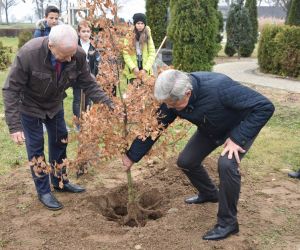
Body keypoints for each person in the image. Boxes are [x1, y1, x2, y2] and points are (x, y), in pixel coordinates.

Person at [122, 69, 275, 240]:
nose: (170, 108)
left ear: (187, 93)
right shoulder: (173, 98)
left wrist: (237, 139)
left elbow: (265, 106)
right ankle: (210, 194)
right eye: (167, 104)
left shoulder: (219, 88)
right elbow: (156, 125)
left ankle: (228, 223)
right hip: (210, 128)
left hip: (239, 128)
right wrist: (131, 155)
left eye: (173, 104)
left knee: (226, 164)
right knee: (186, 161)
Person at [3, 25, 113, 211]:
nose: (70, 58)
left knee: (60, 140)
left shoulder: (76, 54)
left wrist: (108, 104)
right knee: (36, 147)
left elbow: (88, 82)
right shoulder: (29, 54)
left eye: (72, 54)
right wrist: (14, 126)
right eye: (65, 55)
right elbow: (11, 89)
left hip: (54, 106)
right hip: (30, 107)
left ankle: (60, 181)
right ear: (51, 46)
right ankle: (44, 191)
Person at [72, 20, 100, 127]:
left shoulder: (93, 46)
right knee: (77, 99)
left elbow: (97, 62)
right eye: (83, 31)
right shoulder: (75, 45)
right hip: (77, 77)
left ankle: (87, 120)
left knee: (89, 99)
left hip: (90, 77)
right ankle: (77, 122)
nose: (86, 33)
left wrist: (94, 75)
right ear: (79, 33)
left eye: (88, 31)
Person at [122, 13, 155, 84]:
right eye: (138, 23)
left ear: (144, 24)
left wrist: (145, 69)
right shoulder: (129, 36)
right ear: (134, 24)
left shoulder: (148, 36)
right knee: (133, 92)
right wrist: (133, 67)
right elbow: (126, 54)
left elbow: (152, 53)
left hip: (145, 71)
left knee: (145, 93)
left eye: (142, 23)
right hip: (133, 71)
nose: (140, 25)